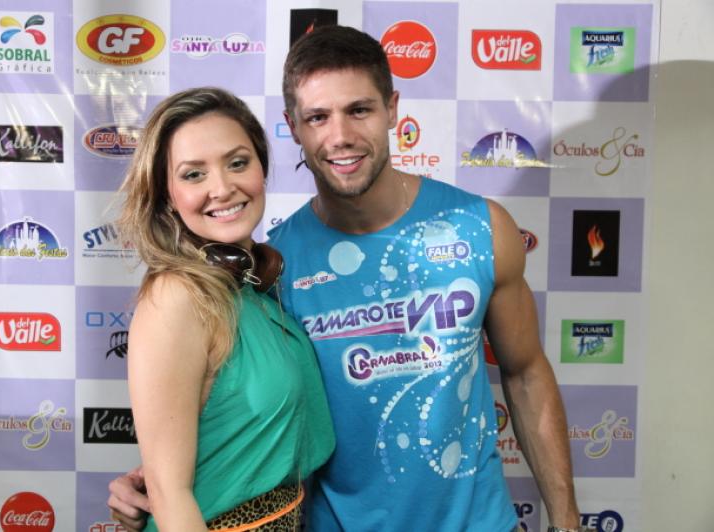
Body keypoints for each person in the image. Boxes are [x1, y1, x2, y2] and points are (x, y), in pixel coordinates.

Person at [110, 26, 582, 532]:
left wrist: (566, 522)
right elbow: (227, 400)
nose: (339, 136)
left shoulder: (480, 228)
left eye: (359, 110)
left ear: (392, 109)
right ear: (293, 127)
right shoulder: (275, 264)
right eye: (318, 117)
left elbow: (526, 373)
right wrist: (160, 481)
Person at [117, 86, 335, 531]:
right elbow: (169, 492)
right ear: (166, 194)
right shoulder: (176, 297)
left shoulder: (254, 289)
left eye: (237, 163)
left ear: (261, 168)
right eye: (194, 174)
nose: (222, 188)